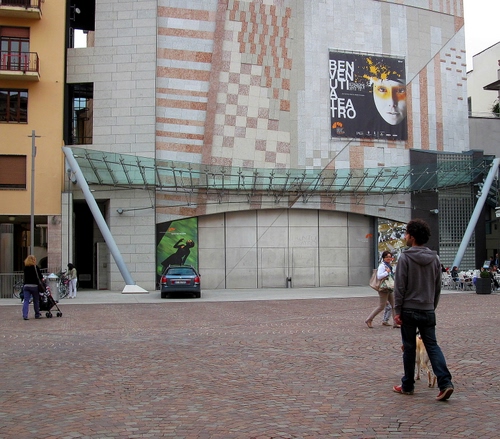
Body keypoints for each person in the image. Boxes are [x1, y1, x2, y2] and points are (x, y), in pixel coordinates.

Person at [393, 219, 454, 401]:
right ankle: (445, 383)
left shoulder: (405, 257)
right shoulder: (435, 258)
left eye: (406, 233)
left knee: (409, 347)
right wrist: (431, 307)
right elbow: (437, 287)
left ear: (412, 236)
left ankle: (408, 385)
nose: (405, 236)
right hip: (427, 309)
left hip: (409, 309)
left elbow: (400, 286)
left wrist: (397, 310)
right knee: (432, 346)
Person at [365, 251, 399, 328]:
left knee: (394, 305)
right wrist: (387, 272)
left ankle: (396, 322)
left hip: (389, 287)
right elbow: (379, 276)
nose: (389, 258)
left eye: (390, 257)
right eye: (387, 257)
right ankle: (369, 319)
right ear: (383, 258)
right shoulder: (382, 266)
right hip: (384, 288)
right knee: (381, 306)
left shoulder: (389, 265)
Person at [22, 255, 42, 320]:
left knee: (26, 301)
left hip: (26, 286)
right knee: (36, 301)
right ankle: (37, 314)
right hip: (34, 286)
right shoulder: (35, 267)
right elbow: (40, 277)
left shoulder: (25, 268)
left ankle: (25, 315)